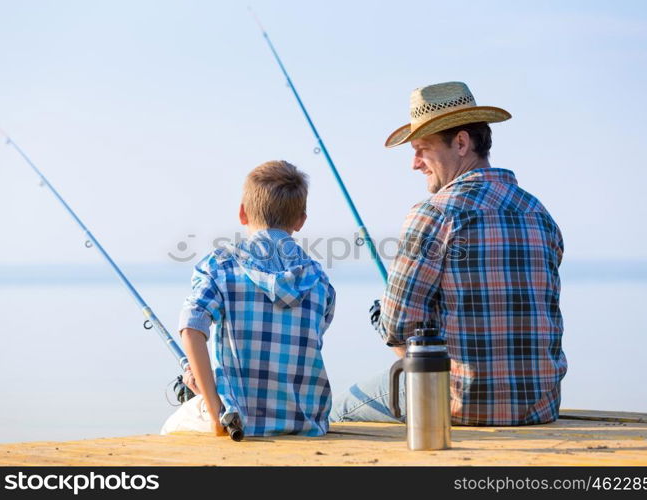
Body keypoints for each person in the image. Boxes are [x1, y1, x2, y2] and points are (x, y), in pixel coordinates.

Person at [330, 82, 567, 426]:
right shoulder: (539, 213)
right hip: (540, 407)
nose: (415, 164)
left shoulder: (434, 214)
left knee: (336, 412)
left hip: (458, 405)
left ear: (460, 143)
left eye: (421, 149)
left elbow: (397, 326)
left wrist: (381, 316)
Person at [174, 160, 336, 437]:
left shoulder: (220, 266)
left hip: (241, 422)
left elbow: (191, 329)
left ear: (242, 213)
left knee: (173, 426)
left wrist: (215, 411)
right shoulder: (320, 281)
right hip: (305, 424)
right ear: (300, 220)